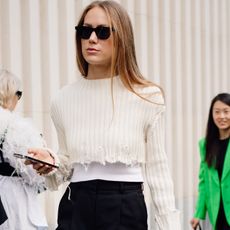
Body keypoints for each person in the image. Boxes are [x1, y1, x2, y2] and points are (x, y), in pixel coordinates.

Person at [26, 1, 181, 229]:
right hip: (75, 205)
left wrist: (169, 224)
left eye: (102, 32)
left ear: (122, 38)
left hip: (125, 206)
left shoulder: (147, 96)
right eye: (85, 30)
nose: (92, 39)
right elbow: (69, 164)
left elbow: (158, 168)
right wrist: (52, 162)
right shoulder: (63, 99)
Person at [0, 69, 48, 229]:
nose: (18, 99)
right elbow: (35, 174)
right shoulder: (17, 127)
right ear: (9, 93)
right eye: (18, 94)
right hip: (15, 204)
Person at [191, 93, 230, 230]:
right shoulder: (205, 145)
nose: (222, 116)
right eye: (217, 112)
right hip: (217, 212)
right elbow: (204, 183)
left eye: (226, 111)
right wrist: (198, 213)